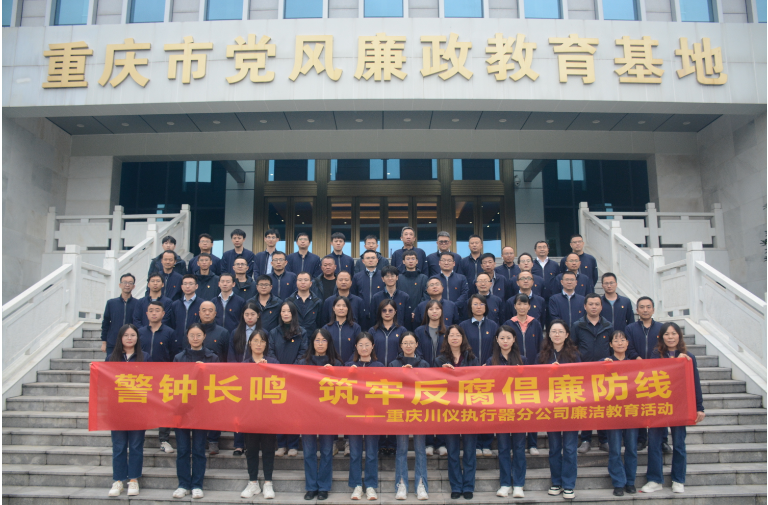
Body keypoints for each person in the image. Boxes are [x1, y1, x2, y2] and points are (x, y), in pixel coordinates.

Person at [641, 322, 705, 495]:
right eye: (667, 334)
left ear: (679, 336)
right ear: (661, 337)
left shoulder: (688, 357)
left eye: (674, 333)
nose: (670, 337)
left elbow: (695, 382)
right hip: (658, 405)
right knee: (654, 442)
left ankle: (678, 479)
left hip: (680, 405)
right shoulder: (655, 354)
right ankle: (655, 479)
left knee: (678, 443)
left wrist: (699, 407)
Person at [172, 323, 219, 499]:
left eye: (199, 335)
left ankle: (197, 484)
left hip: (202, 410)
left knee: (199, 448)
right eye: (192, 335)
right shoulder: (179, 357)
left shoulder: (212, 358)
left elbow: (217, 382)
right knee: (183, 449)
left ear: (204, 336)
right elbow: (173, 381)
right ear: (187, 337)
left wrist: (205, 371)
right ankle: (183, 484)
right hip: (182, 409)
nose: (195, 338)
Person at [536, 320, 580, 500]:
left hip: (570, 408)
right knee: (554, 448)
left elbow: (581, 378)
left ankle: (568, 484)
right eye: (553, 331)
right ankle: (556, 482)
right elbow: (536, 379)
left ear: (567, 334)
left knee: (569, 448)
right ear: (549, 334)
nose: (557, 334)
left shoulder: (574, 355)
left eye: (560, 331)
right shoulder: (542, 355)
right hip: (551, 408)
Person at [435, 325, 479, 499]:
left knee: (469, 451)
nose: (454, 338)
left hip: (469, 411)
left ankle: (468, 486)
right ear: (446, 339)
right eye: (451, 335)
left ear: (463, 338)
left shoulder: (472, 358)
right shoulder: (439, 360)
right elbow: (433, 384)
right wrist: (442, 373)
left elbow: (478, 381)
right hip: (449, 411)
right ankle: (455, 486)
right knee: (452, 451)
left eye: (457, 335)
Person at [298, 329, 343, 500]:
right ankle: (311, 486)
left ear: (329, 343)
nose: (320, 343)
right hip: (308, 413)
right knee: (309, 451)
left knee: (326, 451)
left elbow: (343, 389)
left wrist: (334, 374)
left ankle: (323, 486)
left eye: (324, 340)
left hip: (328, 415)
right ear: (312, 342)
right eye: (317, 340)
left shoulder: (336, 363)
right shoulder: (303, 362)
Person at [107, 324, 149, 497]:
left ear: (137, 338)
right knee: (119, 446)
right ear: (120, 338)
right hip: (117, 410)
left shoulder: (145, 357)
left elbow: (152, 381)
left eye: (133, 335)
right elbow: (106, 383)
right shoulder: (112, 358)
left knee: (136, 446)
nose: (129, 338)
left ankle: (133, 479)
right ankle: (118, 480)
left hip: (138, 409)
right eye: (126, 335)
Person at [388, 331, 430, 501]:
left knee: (420, 449)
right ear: (400, 345)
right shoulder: (393, 364)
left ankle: (421, 484)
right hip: (401, 412)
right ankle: (401, 484)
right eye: (405, 343)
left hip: (419, 412)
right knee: (402, 449)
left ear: (417, 344)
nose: (408, 346)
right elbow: (390, 388)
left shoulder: (424, 364)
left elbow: (430, 386)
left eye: (411, 342)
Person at [487, 325, 526, 499]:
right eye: (502, 338)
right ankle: (505, 483)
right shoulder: (491, 361)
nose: (505, 341)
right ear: (497, 340)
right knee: (503, 448)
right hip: (500, 411)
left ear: (514, 339)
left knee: (519, 448)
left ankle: (518, 484)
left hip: (519, 411)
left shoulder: (522, 360)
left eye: (508, 338)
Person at [501, 293, 543, 456]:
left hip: (531, 371)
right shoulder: (509, 323)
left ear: (529, 306)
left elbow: (540, 346)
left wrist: (537, 366)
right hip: (513, 371)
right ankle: (513, 441)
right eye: (519, 304)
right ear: (515, 306)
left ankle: (532, 443)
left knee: (531, 408)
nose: (522, 307)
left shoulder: (535, 323)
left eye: (525, 304)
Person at [239, 329, 278, 499]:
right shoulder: (244, 364)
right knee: (252, 449)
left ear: (266, 344)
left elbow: (281, 383)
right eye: (255, 340)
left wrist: (267, 369)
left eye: (262, 341)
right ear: (249, 343)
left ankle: (268, 483)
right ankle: (253, 482)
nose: (258, 344)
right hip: (250, 413)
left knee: (268, 449)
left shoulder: (273, 362)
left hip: (269, 414)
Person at [571, 293, 613, 454]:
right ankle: (586, 439)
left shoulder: (608, 325)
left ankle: (604, 439)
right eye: (591, 304)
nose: (594, 307)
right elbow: (572, 347)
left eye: (597, 304)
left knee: (603, 405)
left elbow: (612, 347)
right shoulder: (578, 325)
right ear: (585, 306)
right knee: (586, 406)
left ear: (601, 307)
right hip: (584, 373)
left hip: (604, 373)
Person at [625, 296, 665, 451]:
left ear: (653, 309)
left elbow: (665, 347)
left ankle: (663, 439)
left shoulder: (661, 328)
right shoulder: (630, 328)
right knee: (640, 406)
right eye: (642, 307)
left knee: (659, 407)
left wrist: (654, 362)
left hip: (658, 374)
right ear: (637, 310)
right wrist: (638, 358)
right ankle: (642, 438)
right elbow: (628, 347)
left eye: (648, 307)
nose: (645, 310)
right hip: (638, 374)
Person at [268, 301, 308, 457]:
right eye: (283, 311)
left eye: (288, 311)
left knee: (293, 412)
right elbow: (270, 351)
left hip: (294, 377)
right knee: (279, 412)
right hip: (277, 376)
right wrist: (279, 369)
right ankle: (281, 444)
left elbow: (303, 353)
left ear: (293, 314)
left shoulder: (301, 332)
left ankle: (293, 445)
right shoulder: (274, 332)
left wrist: (292, 370)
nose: (285, 314)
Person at [460, 294, 498, 456]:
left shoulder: (493, 325)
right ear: (470, 307)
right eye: (475, 304)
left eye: (482, 304)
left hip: (488, 372)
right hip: (470, 373)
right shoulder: (463, 326)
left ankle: (486, 443)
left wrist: (489, 364)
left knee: (487, 409)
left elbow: (497, 348)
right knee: (472, 409)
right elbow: (461, 348)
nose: (478, 307)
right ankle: (474, 443)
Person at [346, 332, 382, 501]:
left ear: (373, 346)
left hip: (373, 415)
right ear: (356, 347)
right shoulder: (349, 365)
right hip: (353, 415)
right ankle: (356, 485)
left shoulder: (379, 366)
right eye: (360, 345)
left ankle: (371, 485)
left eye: (367, 345)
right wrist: (349, 374)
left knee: (372, 452)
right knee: (354, 453)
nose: (364, 348)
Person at [602, 330, 638, 496]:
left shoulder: (634, 364)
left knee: (631, 448)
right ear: (611, 344)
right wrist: (603, 365)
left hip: (631, 412)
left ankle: (630, 481)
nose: (620, 343)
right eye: (616, 340)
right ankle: (618, 482)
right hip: (613, 413)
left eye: (623, 340)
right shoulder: (605, 362)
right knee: (615, 449)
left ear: (627, 343)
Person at [137, 301, 175, 454]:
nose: (154, 313)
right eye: (151, 310)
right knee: (141, 407)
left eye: (157, 310)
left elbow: (174, 355)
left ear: (163, 314)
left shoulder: (170, 332)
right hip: (143, 377)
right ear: (146, 314)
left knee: (164, 408)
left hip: (163, 376)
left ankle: (164, 439)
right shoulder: (139, 332)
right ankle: (138, 437)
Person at [413, 300, 448, 456]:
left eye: (437, 309)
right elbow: (417, 352)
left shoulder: (447, 330)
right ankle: (428, 442)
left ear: (441, 312)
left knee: (441, 410)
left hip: (443, 376)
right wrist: (425, 368)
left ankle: (441, 442)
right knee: (426, 410)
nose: (434, 311)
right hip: (424, 376)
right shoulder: (420, 331)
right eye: (431, 309)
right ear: (426, 312)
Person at [101, 274, 140, 358]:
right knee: (111, 364)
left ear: (133, 286)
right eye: (125, 282)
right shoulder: (111, 303)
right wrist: (104, 342)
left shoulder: (138, 303)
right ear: (120, 285)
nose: (127, 285)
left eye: (130, 283)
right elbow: (105, 323)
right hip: (113, 342)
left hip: (131, 343)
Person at [369, 299, 407, 377]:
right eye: (384, 310)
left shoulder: (402, 330)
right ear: (380, 312)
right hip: (376, 370)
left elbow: (405, 351)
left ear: (395, 312)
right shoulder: (373, 331)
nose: (387, 313)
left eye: (390, 310)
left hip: (397, 371)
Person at [167, 275, 203, 355]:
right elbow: (172, 324)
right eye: (185, 284)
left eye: (190, 284)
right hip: (177, 345)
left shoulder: (202, 304)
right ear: (181, 287)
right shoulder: (175, 305)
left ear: (196, 286)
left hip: (195, 344)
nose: (187, 286)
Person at [351, 250, 385, 329]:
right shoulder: (357, 277)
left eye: (373, 258)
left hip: (380, 315)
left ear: (377, 260)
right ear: (363, 261)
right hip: (362, 315)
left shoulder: (383, 276)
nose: (370, 260)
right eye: (368, 258)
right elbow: (354, 295)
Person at [324, 296, 361, 367]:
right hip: (332, 366)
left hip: (351, 366)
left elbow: (358, 348)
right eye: (338, 305)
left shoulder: (355, 328)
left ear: (348, 308)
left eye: (344, 306)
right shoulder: (326, 328)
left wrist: (349, 363)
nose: (341, 308)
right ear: (333, 308)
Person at [397, 252, 429, 329]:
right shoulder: (398, 278)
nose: (410, 261)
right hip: (401, 315)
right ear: (403, 261)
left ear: (417, 261)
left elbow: (426, 296)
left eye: (413, 259)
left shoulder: (423, 278)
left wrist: (416, 311)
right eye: (408, 259)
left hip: (419, 314)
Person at [437, 252, 469, 318]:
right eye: (444, 260)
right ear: (439, 263)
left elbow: (465, 293)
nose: (446, 263)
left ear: (454, 263)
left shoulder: (462, 278)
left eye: (449, 261)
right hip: (439, 312)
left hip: (459, 312)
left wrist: (453, 306)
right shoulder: (434, 279)